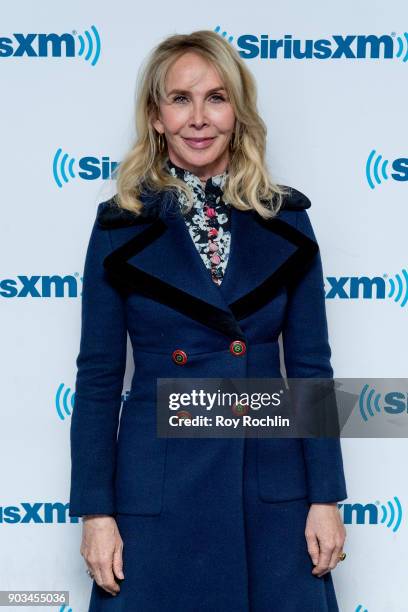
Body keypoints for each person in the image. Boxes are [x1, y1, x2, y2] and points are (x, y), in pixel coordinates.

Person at [69, 29, 348, 612]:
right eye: (181, 99)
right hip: (158, 496)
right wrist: (97, 513)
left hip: (271, 495)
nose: (199, 118)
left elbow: (310, 371)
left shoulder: (287, 222)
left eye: (217, 98)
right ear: (156, 115)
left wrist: (325, 498)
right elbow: (97, 379)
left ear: (238, 113)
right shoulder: (119, 227)